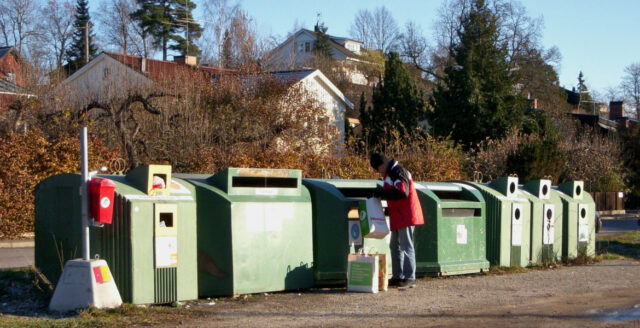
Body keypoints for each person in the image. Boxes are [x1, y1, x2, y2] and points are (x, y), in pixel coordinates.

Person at [370, 153, 424, 288]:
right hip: (399, 216)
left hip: (405, 215)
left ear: (382, 165)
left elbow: (402, 192)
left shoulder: (398, 172)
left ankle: (409, 277)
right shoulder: (391, 173)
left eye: (377, 169)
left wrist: (382, 193)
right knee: (395, 246)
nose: (379, 172)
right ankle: (398, 276)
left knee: (406, 246)